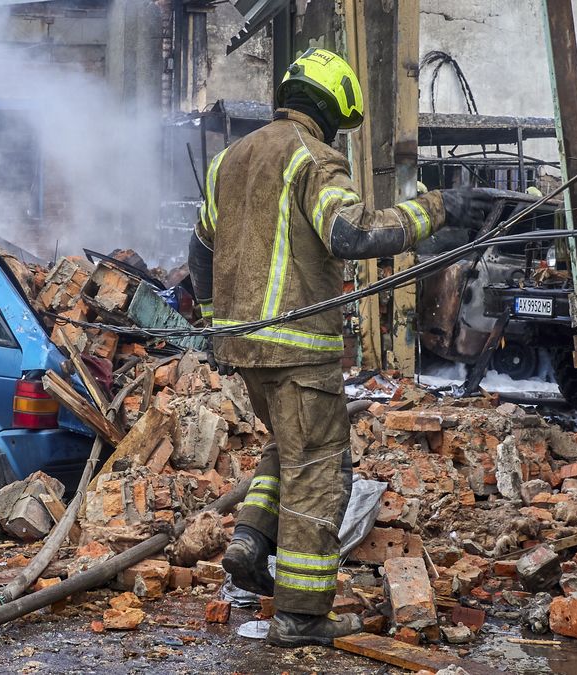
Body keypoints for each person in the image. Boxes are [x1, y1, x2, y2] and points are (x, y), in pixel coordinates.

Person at [187, 47, 494, 647]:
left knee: (290, 449)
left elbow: (200, 251)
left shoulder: (228, 159)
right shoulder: (313, 157)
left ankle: (250, 540)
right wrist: (441, 208)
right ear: (328, 111)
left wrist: (211, 323)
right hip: (299, 350)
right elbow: (352, 233)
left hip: (243, 351)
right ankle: (301, 616)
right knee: (320, 473)